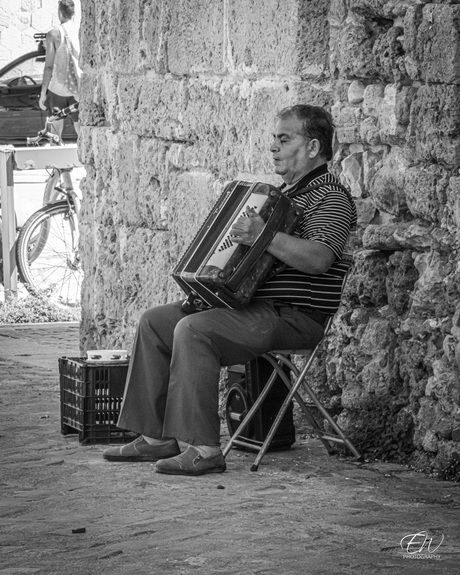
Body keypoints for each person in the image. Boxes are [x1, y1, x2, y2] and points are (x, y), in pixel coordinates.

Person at [103, 104, 357, 476]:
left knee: (193, 330)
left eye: (284, 139)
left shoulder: (331, 198)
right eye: (274, 139)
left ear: (314, 147)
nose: (273, 147)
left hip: (292, 315)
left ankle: (205, 449)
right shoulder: (282, 195)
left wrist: (263, 235)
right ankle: (157, 438)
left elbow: (319, 259)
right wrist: (213, 290)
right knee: (156, 321)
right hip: (253, 306)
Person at [39, 0, 80, 139]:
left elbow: (49, 66)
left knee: (56, 134)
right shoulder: (80, 30)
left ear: (59, 12)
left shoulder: (53, 33)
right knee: (82, 132)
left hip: (57, 88)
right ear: (73, 13)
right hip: (78, 89)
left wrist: (43, 93)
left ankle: (57, 161)